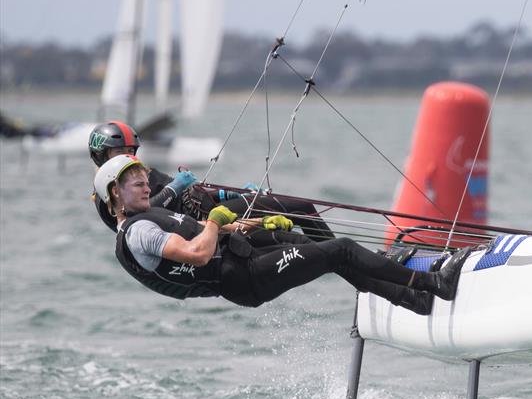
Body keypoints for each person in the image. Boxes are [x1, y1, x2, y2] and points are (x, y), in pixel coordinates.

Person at [95, 155, 471, 315]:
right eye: (134, 182)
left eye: (144, 178)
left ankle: (411, 299)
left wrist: (260, 224)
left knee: (318, 247)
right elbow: (196, 253)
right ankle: (433, 283)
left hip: (243, 257)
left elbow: (213, 233)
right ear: (115, 192)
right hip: (243, 279)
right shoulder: (139, 231)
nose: (146, 184)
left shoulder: (152, 214)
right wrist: (214, 221)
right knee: (339, 249)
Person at [89, 121, 334, 240]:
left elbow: (192, 191)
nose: (127, 157)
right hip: (202, 225)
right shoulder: (106, 195)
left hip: (210, 208)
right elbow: (140, 217)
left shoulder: (142, 172)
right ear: (101, 156)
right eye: (119, 152)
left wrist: (234, 194)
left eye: (131, 150)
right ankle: (343, 260)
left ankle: (349, 261)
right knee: (289, 232)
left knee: (299, 208)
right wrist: (174, 189)